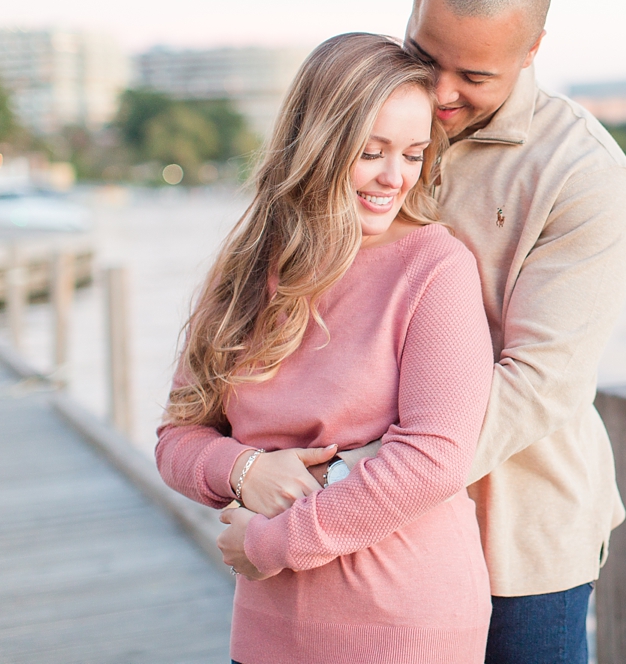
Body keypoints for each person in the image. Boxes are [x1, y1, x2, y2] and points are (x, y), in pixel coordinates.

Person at [344, 0, 626, 664]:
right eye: (426, 55)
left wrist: (356, 477)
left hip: (517, 541)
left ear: (533, 48)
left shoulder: (583, 173)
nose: (441, 93)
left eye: (474, 75)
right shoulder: (366, 122)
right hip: (359, 530)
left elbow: (540, 382)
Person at [154, 33, 494, 664]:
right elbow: (178, 438)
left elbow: (435, 457)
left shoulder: (434, 268)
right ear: (317, 144)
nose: (395, 178)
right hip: (270, 631)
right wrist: (244, 470)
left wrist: (270, 543)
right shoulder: (247, 273)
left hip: (403, 626)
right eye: (372, 152)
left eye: (414, 155)